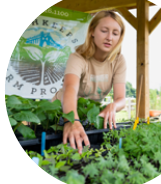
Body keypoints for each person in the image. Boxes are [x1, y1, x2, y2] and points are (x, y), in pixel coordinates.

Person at [51, 10, 127, 154]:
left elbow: (121, 99)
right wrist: (71, 120)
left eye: (115, 33)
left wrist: (113, 105)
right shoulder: (78, 58)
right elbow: (70, 89)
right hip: (62, 113)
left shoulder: (118, 61)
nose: (109, 38)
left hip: (86, 117)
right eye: (104, 31)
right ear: (92, 31)